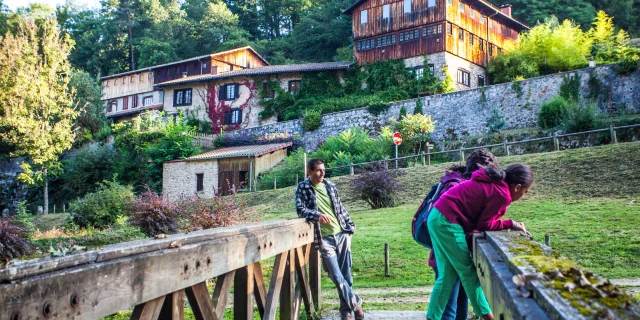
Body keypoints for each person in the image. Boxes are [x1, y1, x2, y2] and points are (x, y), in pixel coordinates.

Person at [426, 163, 533, 320]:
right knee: (468, 274)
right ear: (517, 187)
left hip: (437, 217)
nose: (524, 196)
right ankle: (488, 317)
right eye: (525, 192)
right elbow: (484, 225)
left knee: (447, 276)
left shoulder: (494, 185)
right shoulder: (502, 194)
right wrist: (511, 224)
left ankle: (432, 317)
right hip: (447, 221)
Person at [424, 149, 497, 320]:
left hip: (454, 249)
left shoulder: (461, 185)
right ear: (482, 170)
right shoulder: (458, 186)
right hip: (450, 250)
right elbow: (447, 222)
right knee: (450, 308)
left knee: (458, 306)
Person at [295, 158, 364, 320]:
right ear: (309, 172)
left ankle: (346, 312)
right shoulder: (303, 187)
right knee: (335, 274)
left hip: (341, 234)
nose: (321, 173)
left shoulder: (330, 186)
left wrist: (350, 227)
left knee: (346, 275)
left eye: (323, 170)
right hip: (324, 238)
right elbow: (300, 209)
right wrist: (317, 214)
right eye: (318, 170)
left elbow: (340, 208)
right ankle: (356, 302)